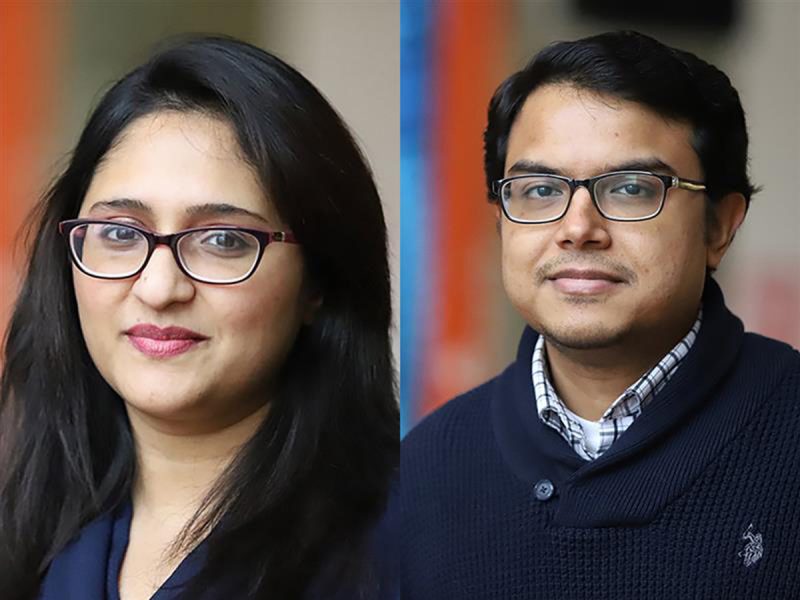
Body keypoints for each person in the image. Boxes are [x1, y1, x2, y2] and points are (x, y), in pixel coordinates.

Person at [400, 31, 799, 599]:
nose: (577, 228)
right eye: (539, 190)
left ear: (719, 225)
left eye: (632, 188)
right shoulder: (425, 468)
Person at [0, 36, 398, 600]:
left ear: (318, 280)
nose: (159, 288)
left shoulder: (414, 546)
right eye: (118, 233)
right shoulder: (24, 524)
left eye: (222, 239)